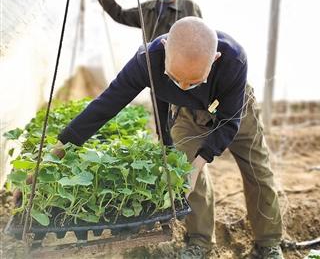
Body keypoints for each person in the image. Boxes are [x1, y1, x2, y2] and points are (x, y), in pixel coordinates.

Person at [54, 17, 283, 259]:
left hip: (233, 108)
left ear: (214, 60)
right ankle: (200, 240)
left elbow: (229, 124)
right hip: (188, 112)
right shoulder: (146, 61)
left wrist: (200, 163)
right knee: (183, 168)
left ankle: (268, 242)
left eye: (193, 81)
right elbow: (105, 105)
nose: (182, 86)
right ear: (164, 51)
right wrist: (58, 149)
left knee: (257, 170)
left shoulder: (233, 60)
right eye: (174, 78)